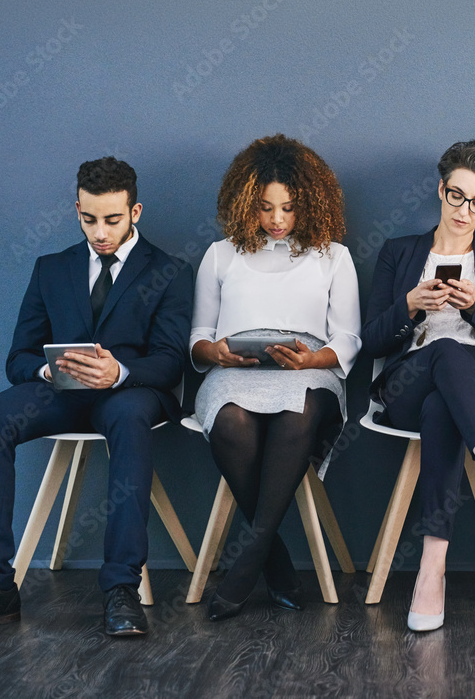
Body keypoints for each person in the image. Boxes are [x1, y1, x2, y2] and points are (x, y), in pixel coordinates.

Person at [0, 158, 193, 638]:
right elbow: (17, 357)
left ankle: (121, 589)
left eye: (112, 219)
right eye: (88, 219)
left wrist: (119, 371)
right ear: (77, 210)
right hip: (61, 392)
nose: (100, 232)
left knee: (125, 415)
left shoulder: (170, 271)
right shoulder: (51, 269)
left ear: (135, 211)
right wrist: (48, 368)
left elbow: (170, 362)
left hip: (131, 394)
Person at [361, 140, 475, 632]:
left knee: (445, 405)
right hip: (408, 380)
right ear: (441, 189)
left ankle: (430, 572)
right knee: (443, 351)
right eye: (456, 196)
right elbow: (372, 341)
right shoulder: (399, 253)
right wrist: (412, 305)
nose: (465, 211)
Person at [190, 135, 360, 621]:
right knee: (231, 422)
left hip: (307, 370)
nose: (279, 220)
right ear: (246, 204)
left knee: (297, 413)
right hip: (234, 371)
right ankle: (275, 560)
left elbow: (348, 338)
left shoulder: (334, 256)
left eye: (288, 208)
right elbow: (199, 335)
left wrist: (312, 360)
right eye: (266, 208)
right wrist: (215, 352)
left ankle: (250, 561)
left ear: (309, 202)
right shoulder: (221, 255)